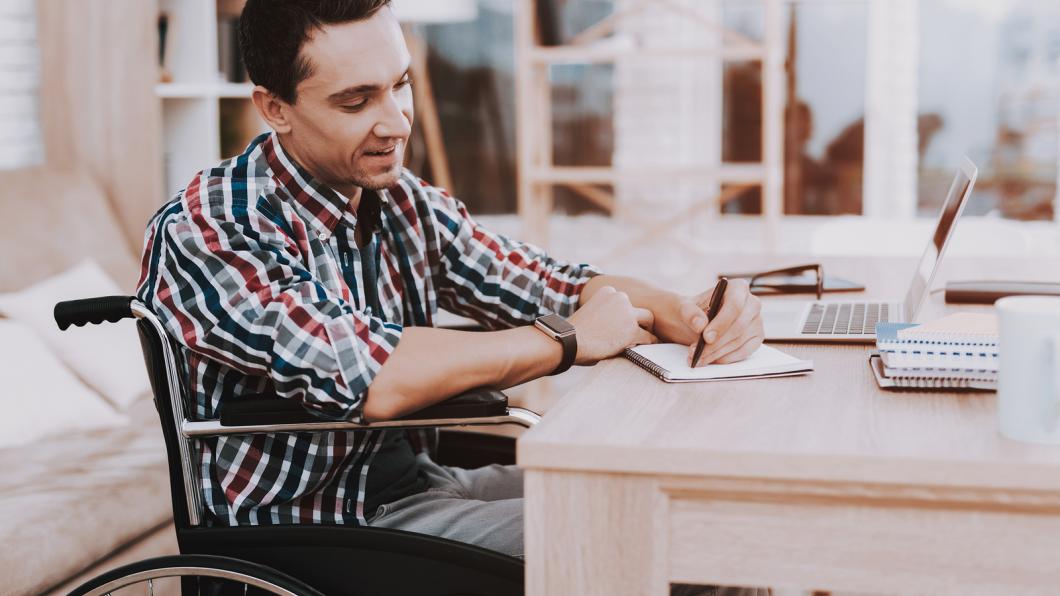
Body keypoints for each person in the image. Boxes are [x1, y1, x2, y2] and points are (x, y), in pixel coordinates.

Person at [136, 1, 765, 591]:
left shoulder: (401, 201)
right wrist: (565, 340)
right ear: (275, 108)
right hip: (316, 530)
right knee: (672, 545)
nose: (396, 120)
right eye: (357, 100)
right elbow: (374, 377)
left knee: (697, 510)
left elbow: (551, 282)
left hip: (420, 485)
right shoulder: (210, 229)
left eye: (400, 84)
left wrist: (688, 313)